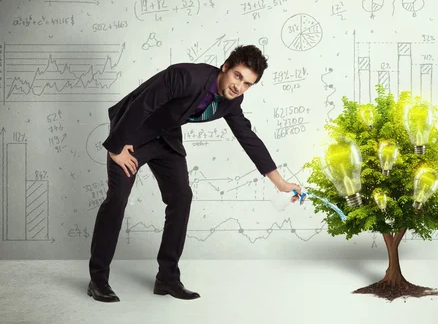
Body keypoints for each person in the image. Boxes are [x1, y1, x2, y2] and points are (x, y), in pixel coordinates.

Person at [87, 45, 302, 302]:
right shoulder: (186, 76)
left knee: (181, 198)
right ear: (225, 67)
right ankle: (98, 279)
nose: (239, 87)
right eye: (237, 76)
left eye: (247, 84)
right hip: (133, 132)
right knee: (117, 199)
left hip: (166, 138)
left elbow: (247, 136)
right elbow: (142, 105)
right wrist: (116, 146)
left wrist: (279, 182)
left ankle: (167, 278)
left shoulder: (233, 101)